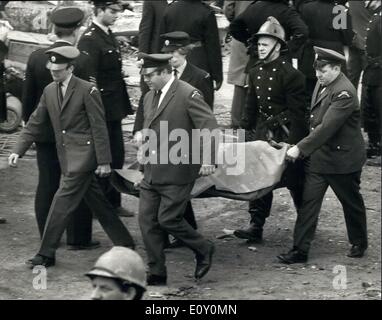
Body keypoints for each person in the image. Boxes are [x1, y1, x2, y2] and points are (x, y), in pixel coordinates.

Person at [9, 46, 135, 268]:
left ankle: (46, 254)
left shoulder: (88, 90)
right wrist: (17, 150)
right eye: (52, 70)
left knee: (61, 202)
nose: (54, 73)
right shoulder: (49, 90)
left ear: (70, 68)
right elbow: (35, 123)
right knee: (97, 200)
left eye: (58, 71)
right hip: (67, 155)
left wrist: (104, 160)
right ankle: (124, 241)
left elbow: (99, 127)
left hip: (84, 157)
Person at [277, 46, 368, 264]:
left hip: (342, 161)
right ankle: (300, 250)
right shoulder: (323, 82)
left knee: (350, 202)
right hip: (319, 158)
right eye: (317, 69)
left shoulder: (345, 92)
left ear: (337, 69)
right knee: (309, 203)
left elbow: (326, 127)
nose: (318, 74)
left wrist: (299, 148)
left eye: (323, 70)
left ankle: (359, 241)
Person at [137, 53, 218, 285]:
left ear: (165, 72)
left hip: (178, 168)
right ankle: (157, 272)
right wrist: (143, 167)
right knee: (146, 221)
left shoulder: (187, 93)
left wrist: (208, 159)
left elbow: (209, 125)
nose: (146, 80)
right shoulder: (149, 96)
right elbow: (149, 131)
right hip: (152, 171)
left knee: (168, 219)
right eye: (143, 76)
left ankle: (203, 248)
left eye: (150, 75)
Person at [22, 7, 98, 250]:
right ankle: (78, 238)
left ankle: (47, 238)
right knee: (78, 184)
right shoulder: (82, 59)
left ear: (54, 29)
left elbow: (28, 99)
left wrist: (31, 130)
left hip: (45, 134)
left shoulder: (36, 57)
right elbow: (94, 103)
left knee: (47, 183)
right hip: (76, 137)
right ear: (76, 31)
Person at [234, 17, 309, 244]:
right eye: (259, 44)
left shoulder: (291, 75)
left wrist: (295, 145)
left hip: (286, 136)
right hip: (262, 135)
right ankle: (256, 226)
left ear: (278, 46)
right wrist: (243, 135)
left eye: (265, 44)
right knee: (259, 181)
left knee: (296, 182)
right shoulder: (255, 72)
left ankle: (305, 227)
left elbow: (299, 115)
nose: (260, 48)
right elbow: (250, 109)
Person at [77, 0, 135, 217]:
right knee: (103, 157)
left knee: (116, 155)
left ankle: (113, 201)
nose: (116, 15)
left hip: (114, 106)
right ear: (99, 10)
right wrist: (95, 108)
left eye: (117, 12)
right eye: (112, 11)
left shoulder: (107, 33)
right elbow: (89, 78)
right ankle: (101, 206)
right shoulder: (90, 39)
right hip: (102, 107)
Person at [161, 0, 223, 97]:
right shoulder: (206, 12)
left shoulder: (170, 10)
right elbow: (213, 46)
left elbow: (162, 40)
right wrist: (217, 75)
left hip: (173, 58)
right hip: (198, 59)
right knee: (200, 100)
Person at [229, 0, 308, 71]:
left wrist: (250, 41)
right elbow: (302, 31)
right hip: (280, 61)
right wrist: (287, 47)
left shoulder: (253, 8)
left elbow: (234, 27)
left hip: (256, 60)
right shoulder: (287, 11)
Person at [299, 0, 354, 99]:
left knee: (309, 95)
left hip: (310, 56)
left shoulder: (306, 8)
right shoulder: (340, 10)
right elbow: (347, 39)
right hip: (332, 57)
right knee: (334, 94)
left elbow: (302, 31)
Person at [224, 0, 251, 129]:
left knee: (240, 79)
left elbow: (229, 8)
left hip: (240, 31)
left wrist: (234, 20)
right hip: (265, 31)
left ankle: (237, 120)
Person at [362, 4, 381, 166]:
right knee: (370, 110)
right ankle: (375, 146)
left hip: (379, 71)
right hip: (372, 72)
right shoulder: (376, 15)